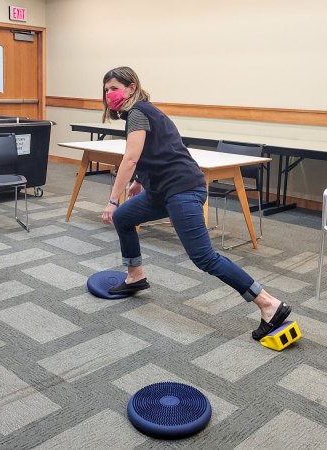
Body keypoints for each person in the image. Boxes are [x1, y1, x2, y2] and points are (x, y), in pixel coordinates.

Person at [100, 66, 291, 341]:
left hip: (182, 190)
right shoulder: (141, 112)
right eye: (106, 90)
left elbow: (129, 159)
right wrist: (140, 181)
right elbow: (157, 150)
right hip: (161, 191)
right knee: (125, 218)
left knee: (204, 257)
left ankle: (268, 303)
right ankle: (135, 276)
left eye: (114, 88)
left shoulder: (139, 113)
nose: (109, 95)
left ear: (131, 88)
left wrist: (112, 200)